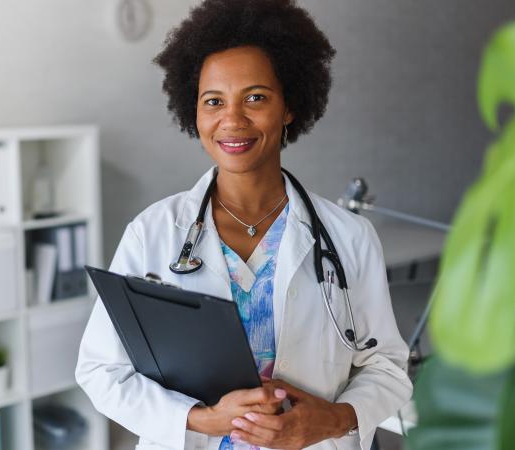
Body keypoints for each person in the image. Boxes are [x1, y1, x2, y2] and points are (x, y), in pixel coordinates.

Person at [75, 1, 412, 449]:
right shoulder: (153, 232)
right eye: (213, 101)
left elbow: (386, 367)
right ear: (193, 112)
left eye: (255, 97)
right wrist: (202, 419)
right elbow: (101, 371)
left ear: (288, 106)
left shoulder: (350, 237)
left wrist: (332, 421)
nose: (232, 120)